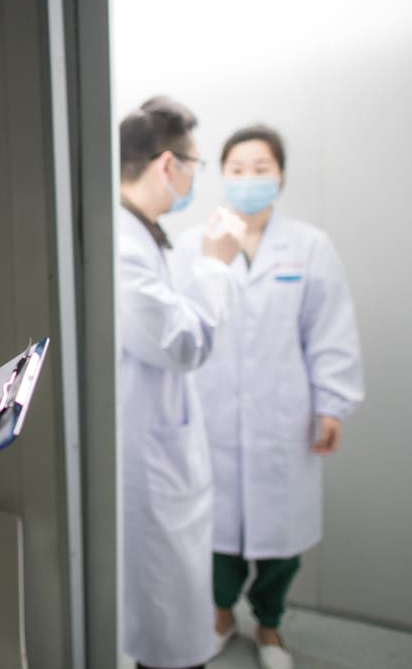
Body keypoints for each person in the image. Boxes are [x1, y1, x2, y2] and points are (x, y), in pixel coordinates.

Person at [173, 125, 364, 669]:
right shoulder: (195, 245)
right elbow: (177, 332)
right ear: (221, 174)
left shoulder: (308, 246)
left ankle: (271, 626)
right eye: (238, 168)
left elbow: (329, 331)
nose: (250, 179)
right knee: (216, 533)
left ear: (280, 176)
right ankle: (220, 615)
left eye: (262, 168)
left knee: (282, 540)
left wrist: (332, 404)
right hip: (210, 417)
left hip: (286, 418)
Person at [117, 96, 244, 669]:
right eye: (195, 165)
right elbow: (182, 344)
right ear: (168, 165)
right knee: (164, 626)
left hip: (161, 450)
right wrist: (216, 263)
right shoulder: (122, 243)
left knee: (168, 613)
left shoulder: (142, 233)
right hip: (150, 462)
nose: (195, 178)